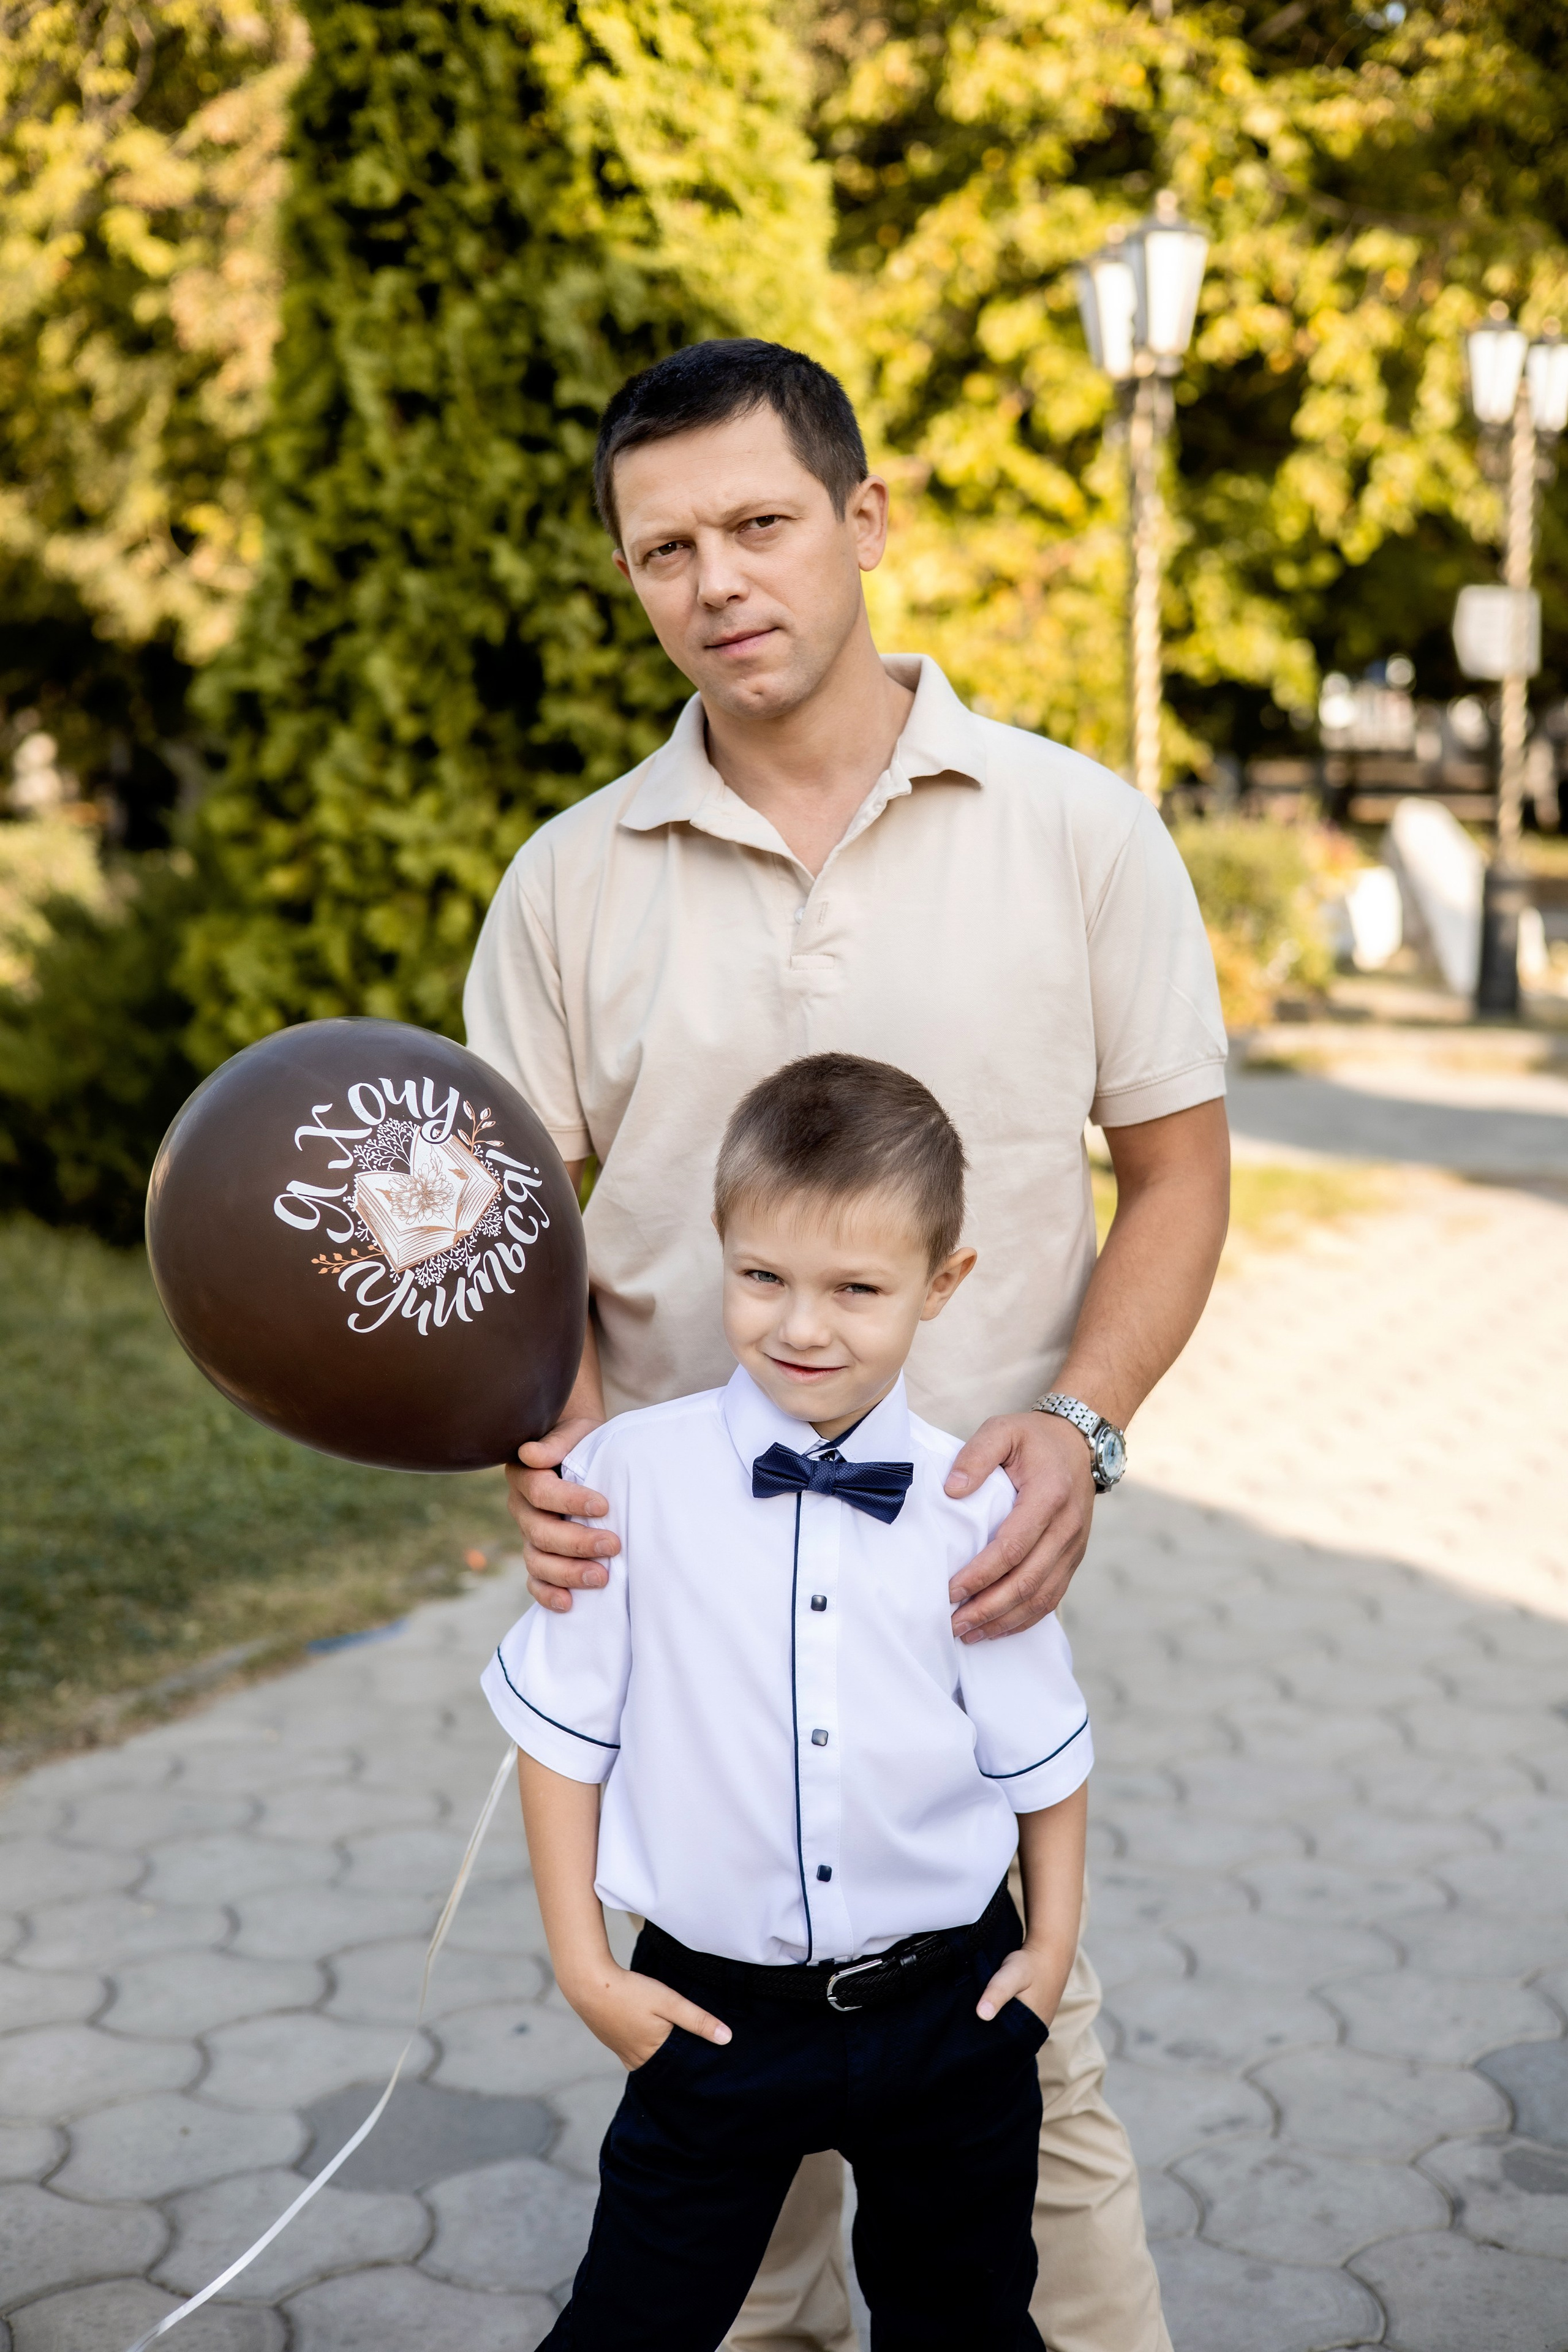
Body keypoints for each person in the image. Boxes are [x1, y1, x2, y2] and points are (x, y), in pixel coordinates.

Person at [464, 336, 1231, 2352]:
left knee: (1045, 2232)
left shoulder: (1080, 832)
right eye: (662, 551)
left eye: (759, 525)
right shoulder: (564, 884)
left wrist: (1084, 1425)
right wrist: (542, 1456)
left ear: (865, 521)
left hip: (953, 1643)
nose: (716, 581)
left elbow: (1177, 1175)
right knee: (724, 2255)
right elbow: (511, 1242)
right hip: (694, 1695)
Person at [481, 1055, 1095, 2350]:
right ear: (720, 1250)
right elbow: (559, 1736)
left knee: (967, 2322)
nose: (801, 1327)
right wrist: (586, 1970)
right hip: (710, 2017)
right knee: (630, 2325)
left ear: (942, 1285)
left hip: (946, 2012)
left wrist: (1042, 1959)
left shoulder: (972, 1506)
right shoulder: (624, 1482)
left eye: (856, 1290)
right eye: (762, 1277)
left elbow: (1040, 1753)